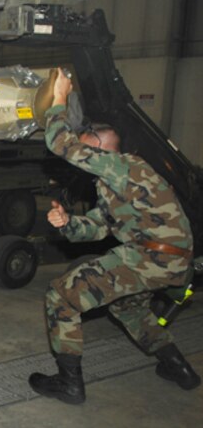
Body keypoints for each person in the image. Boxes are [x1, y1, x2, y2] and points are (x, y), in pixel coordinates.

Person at [28, 68, 199, 404]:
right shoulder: (113, 183)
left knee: (60, 297)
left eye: (85, 139)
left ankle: (69, 384)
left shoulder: (125, 166)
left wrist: (59, 98)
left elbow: (60, 143)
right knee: (128, 309)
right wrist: (67, 222)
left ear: (100, 143)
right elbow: (99, 227)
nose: (81, 144)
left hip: (152, 257)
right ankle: (178, 367)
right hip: (171, 262)